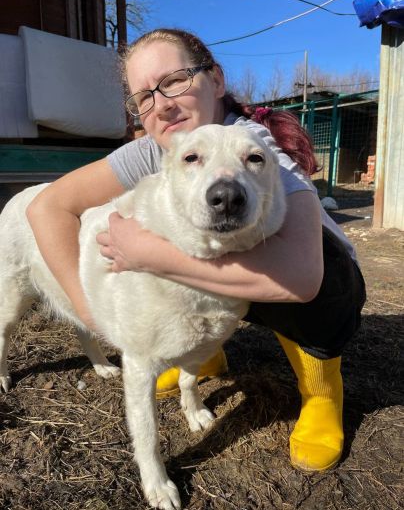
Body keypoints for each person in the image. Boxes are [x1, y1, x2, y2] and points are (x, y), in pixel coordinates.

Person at [26, 28, 366, 473]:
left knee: (308, 270)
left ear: (216, 80)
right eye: (144, 96)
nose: (161, 104)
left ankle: (321, 391)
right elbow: (48, 206)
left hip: (319, 284)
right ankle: (202, 354)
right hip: (231, 285)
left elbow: (304, 278)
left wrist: (147, 253)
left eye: (174, 81)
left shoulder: (258, 146)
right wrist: (90, 312)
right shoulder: (158, 148)